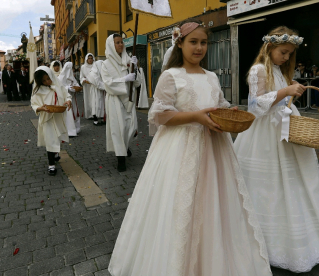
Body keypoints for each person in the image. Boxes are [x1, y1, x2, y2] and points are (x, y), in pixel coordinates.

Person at [107, 19, 272, 276]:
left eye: (204, 42)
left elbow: (218, 103)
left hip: (215, 149)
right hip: (180, 148)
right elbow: (159, 115)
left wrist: (229, 110)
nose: (199, 48)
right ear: (180, 43)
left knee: (214, 202)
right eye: (193, 42)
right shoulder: (170, 76)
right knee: (179, 205)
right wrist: (195, 117)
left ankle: (214, 258)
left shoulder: (212, 76)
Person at [233, 26, 319, 273]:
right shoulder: (258, 69)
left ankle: (295, 234)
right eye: (283, 52)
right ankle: (265, 237)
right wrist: (285, 90)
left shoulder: (278, 70)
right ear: (270, 47)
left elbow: (280, 99)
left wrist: (290, 90)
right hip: (265, 133)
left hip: (286, 127)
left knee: (294, 181)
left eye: (290, 54)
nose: (286, 58)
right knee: (268, 184)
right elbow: (254, 105)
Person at [100, 34, 140, 172]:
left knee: (131, 126)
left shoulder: (128, 60)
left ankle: (125, 146)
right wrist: (125, 79)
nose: (121, 45)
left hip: (128, 99)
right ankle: (120, 158)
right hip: (115, 100)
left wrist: (135, 68)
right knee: (118, 128)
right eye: (117, 42)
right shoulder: (105, 65)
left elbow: (137, 82)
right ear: (111, 45)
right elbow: (108, 84)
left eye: (122, 42)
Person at [30, 66, 72, 176]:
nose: (47, 82)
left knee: (57, 137)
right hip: (47, 118)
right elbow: (34, 104)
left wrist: (68, 100)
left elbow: (66, 94)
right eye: (43, 81)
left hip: (58, 116)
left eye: (48, 79)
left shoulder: (57, 84)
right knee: (50, 140)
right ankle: (51, 165)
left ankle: (56, 153)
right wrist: (41, 108)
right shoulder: (38, 91)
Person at [58, 62, 82, 136]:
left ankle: (75, 128)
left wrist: (77, 88)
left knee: (75, 113)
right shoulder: (60, 78)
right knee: (68, 115)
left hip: (73, 99)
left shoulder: (72, 77)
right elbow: (60, 88)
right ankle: (68, 130)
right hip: (66, 100)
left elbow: (76, 84)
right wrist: (69, 88)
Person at [87, 60, 106, 126]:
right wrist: (106, 86)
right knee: (95, 105)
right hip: (95, 91)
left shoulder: (97, 72)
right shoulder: (93, 74)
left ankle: (101, 119)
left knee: (100, 104)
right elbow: (98, 84)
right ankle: (96, 120)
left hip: (99, 91)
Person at [80, 53, 94, 119]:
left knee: (94, 99)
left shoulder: (95, 66)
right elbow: (81, 77)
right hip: (87, 86)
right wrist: (84, 80)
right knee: (88, 99)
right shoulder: (83, 67)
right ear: (86, 59)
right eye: (89, 58)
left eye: (91, 58)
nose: (90, 60)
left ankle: (95, 113)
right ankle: (89, 114)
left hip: (94, 85)